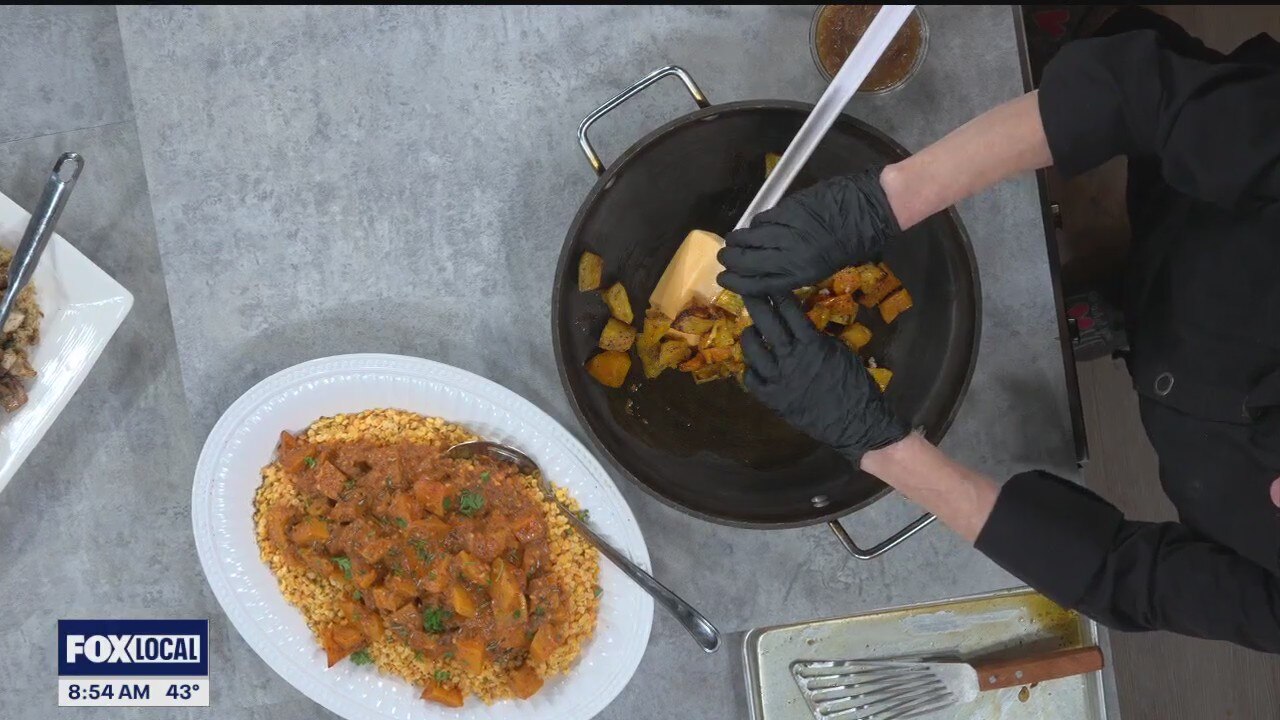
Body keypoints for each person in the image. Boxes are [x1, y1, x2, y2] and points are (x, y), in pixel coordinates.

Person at [718, 10, 1280, 653]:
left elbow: (1126, 580)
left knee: (1133, 298)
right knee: (1113, 50)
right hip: (1210, 179)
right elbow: (1133, 92)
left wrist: (879, 445)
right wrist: (887, 199)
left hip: (1177, 348)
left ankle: (1122, 311)